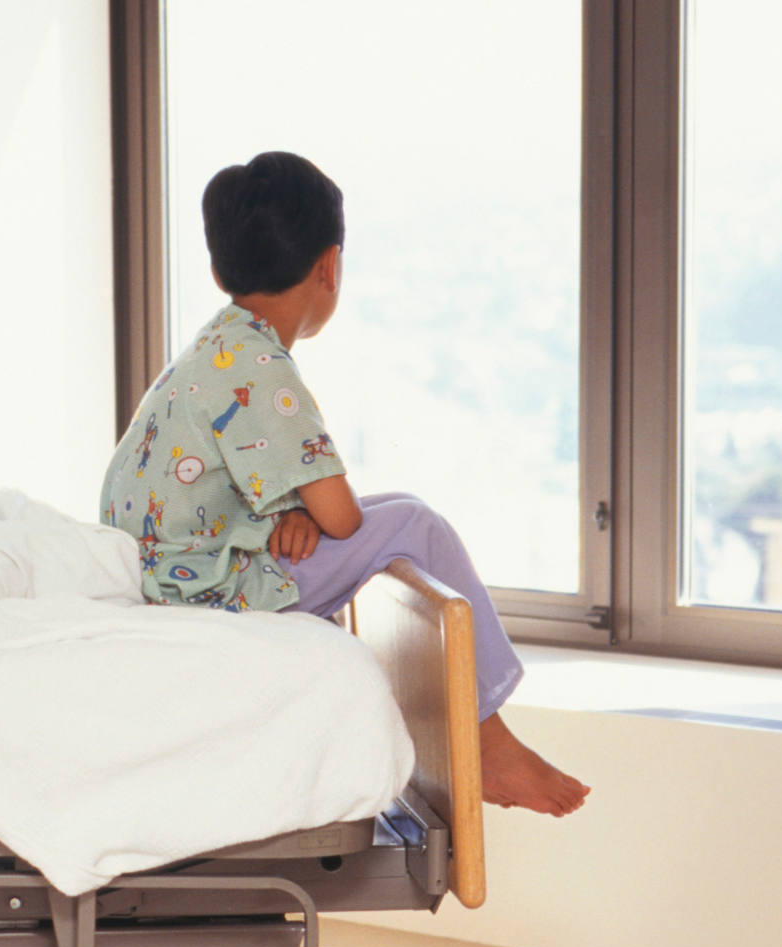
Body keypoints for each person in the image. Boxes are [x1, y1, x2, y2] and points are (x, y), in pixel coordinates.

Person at [98, 150, 588, 816]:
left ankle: (486, 732)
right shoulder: (261, 368)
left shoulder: (215, 347)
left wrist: (290, 512)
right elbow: (344, 520)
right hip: (212, 597)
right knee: (419, 527)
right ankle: (488, 739)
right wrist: (310, 510)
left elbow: (235, 491)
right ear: (329, 266)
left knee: (406, 510)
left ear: (219, 271)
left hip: (188, 571)